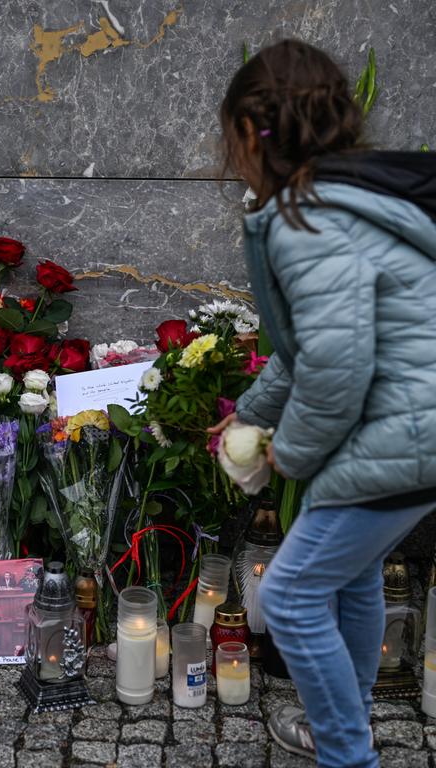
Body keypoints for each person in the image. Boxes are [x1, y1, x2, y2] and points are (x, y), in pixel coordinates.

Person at [211, 40, 436, 768]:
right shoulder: (349, 197)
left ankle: (348, 754)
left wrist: (290, 451)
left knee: (293, 598)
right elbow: (307, 348)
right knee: (353, 574)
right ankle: (346, 731)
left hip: (404, 431)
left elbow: (337, 367)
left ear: (250, 132)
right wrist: (249, 413)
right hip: (417, 429)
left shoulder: (306, 217)